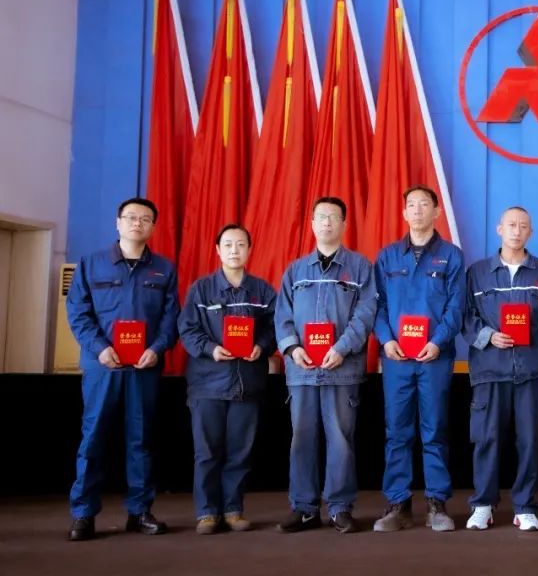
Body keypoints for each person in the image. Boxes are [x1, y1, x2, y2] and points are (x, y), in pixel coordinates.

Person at [66, 197, 180, 541]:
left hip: (144, 368)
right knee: (93, 438)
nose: (137, 223)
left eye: (145, 219)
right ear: (118, 223)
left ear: (153, 227)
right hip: (103, 366)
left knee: (140, 440)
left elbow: (171, 318)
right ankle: (83, 514)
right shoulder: (91, 264)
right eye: (130, 217)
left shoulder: (164, 269)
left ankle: (140, 511)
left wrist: (157, 349)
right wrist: (100, 349)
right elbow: (78, 313)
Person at [274, 197, 377, 534]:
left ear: (344, 224)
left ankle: (340, 508)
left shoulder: (360, 268)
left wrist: (342, 347)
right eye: (321, 216)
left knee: (341, 439)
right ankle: (304, 508)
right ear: (312, 224)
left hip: (342, 369)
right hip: (302, 371)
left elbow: (365, 314)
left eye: (334, 217)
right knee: (301, 439)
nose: (327, 222)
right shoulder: (295, 271)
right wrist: (292, 348)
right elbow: (282, 316)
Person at [373, 185, 466, 533]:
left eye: (424, 204)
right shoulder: (387, 257)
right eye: (411, 204)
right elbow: (377, 305)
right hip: (397, 358)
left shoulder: (452, 256)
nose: (417, 210)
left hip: (434, 358)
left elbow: (456, 306)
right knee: (397, 432)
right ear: (404, 213)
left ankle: (436, 503)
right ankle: (397, 503)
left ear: (436, 212)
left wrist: (438, 342)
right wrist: (386, 340)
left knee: (434, 430)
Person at [462, 206, 538, 532]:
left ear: (531, 232)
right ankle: (483, 504)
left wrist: (526, 341)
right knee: (486, 438)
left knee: (528, 441)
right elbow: (466, 317)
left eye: (523, 226)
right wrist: (490, 336)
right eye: (512, 225)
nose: (517, 231)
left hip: (529, 370)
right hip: (489, 370)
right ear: (499, 229)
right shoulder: (477, 272)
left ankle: (525, 507)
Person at [178, 224, 276, 534]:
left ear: (250, 249)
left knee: (239, 452)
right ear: (218, 250)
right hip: (208, 384)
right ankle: (207, 513)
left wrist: (262, 346)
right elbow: (187, 329)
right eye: (229, 244)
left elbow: (276, 327)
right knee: (207, 452)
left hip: (247, 384)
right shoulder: (201, 289)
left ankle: (233, 510)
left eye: (241, 244)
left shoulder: (262, 291)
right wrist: (210, 349)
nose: (235, 250)